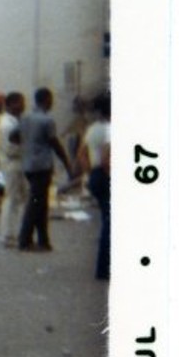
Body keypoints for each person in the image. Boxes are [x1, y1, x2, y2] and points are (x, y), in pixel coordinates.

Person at [16, 86, 78, 253]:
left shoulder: (24, 118)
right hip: (42, 166)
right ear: (46, 100)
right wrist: (67, 163)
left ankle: (43, 240)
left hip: (28, 166)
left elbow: (13, 136)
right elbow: (55, 144)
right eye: (51, 100)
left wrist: (27, 144)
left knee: (41, 203)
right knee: (36, 203)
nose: (52, 104)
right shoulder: (47, 120)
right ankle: (25, 239)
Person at [78, 92, 111, 281]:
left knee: (107, 220)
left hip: (96, 176)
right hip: (108, 176)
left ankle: (103, 267)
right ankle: (105, 268)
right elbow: (109, 158)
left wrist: (90, 174)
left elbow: (81, 154)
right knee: (111, 224)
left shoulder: (93, 129)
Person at [0, 91, 26, 248]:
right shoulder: (7, 125)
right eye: (20, 102)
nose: (23, 106)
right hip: (12, 163)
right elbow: (11, 149)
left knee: (18, 199)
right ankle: (7, 234)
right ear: (11, 104)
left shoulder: (13, 122)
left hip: (15, 164)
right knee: (11, 199)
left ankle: (17, 232)